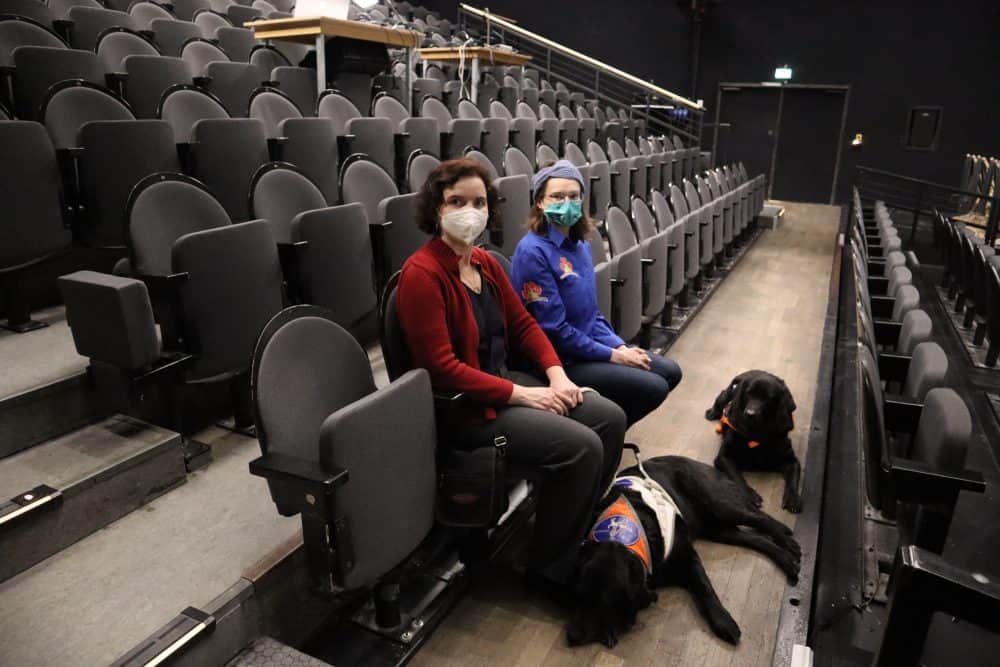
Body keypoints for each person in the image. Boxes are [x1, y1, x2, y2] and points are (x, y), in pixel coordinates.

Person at [397, 158, 626, 582]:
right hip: (467, 411)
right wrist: (524, 394)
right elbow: (442, 369)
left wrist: (556, 373)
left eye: (479, 202)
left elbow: (523, 324)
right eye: (456, 201)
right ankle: (550, 570)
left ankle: (569, 525)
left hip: (505, 388)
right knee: (582, 446)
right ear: (436, 210)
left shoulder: (484, 263)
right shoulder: (421, 275)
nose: (471, 210)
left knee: (609, 419)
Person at [511, 160, 682, 428]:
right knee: (654, 386)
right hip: (559, 359)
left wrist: (620, 346)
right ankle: (603, 434)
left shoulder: (580, 245)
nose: (566, 203)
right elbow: (554, 330)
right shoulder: (533, 252)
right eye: (556, 196)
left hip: (587, 346)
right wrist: (614, 356)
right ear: (540, 203)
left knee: (670, 372)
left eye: (573, 196)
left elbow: (592, 314)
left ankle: (606, 431)